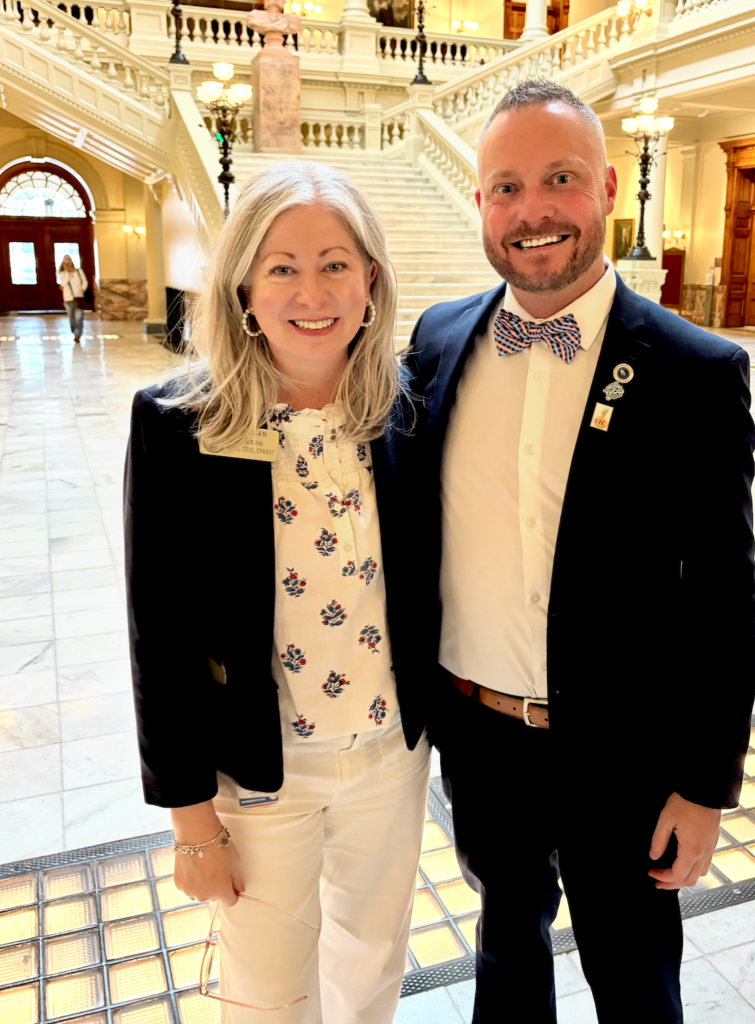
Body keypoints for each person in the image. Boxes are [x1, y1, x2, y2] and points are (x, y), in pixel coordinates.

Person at [406, 80, 755, 1023]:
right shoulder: (436, 342)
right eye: (507, 187)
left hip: (626, 754)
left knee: (635, 978)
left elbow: (723, 595)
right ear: (479, 203)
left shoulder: (695, 371)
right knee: (504, 949)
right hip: (479, 738)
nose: (533, 211)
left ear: (606, 187)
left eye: (559, 179)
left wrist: (704, 783)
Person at [124, 160, 431, 1024]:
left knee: (372, 967)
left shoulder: (403, 408)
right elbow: (161, 638)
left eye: (335, 262)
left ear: (370, 278)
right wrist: (192, 825)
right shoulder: (180, 423)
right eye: (282, 266)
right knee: (266, 991)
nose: (312, 291)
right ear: (243, 289)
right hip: (258, 774)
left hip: (388, 761)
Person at [57, 254, 87, 342]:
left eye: (69, 259)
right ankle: (74, 331)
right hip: (68, 299)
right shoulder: (62, 273)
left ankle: (77, 335)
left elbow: (84, 281)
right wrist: (67, 273)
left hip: (79, 297)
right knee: (72, 318)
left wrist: (83, 288)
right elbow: (63, 284)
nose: (68, 261)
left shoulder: (78, 271)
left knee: (79, 317)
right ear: (63, 262)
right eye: (66, 259)